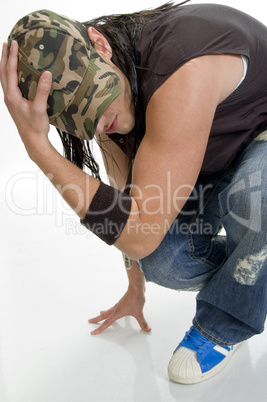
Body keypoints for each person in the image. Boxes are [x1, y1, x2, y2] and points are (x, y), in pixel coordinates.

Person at [1, 0, 267, 385]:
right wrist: (135, 287)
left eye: (95, 105)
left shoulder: (181, 68)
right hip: (209, 151)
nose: (98, 129)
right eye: (83, 123)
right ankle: (253, 276)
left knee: (254, 202)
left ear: (99, 45)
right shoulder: (111, 112)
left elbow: (138, 233)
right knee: (161, 260)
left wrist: (40, 150)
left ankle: (227, 320)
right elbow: (132, 218)